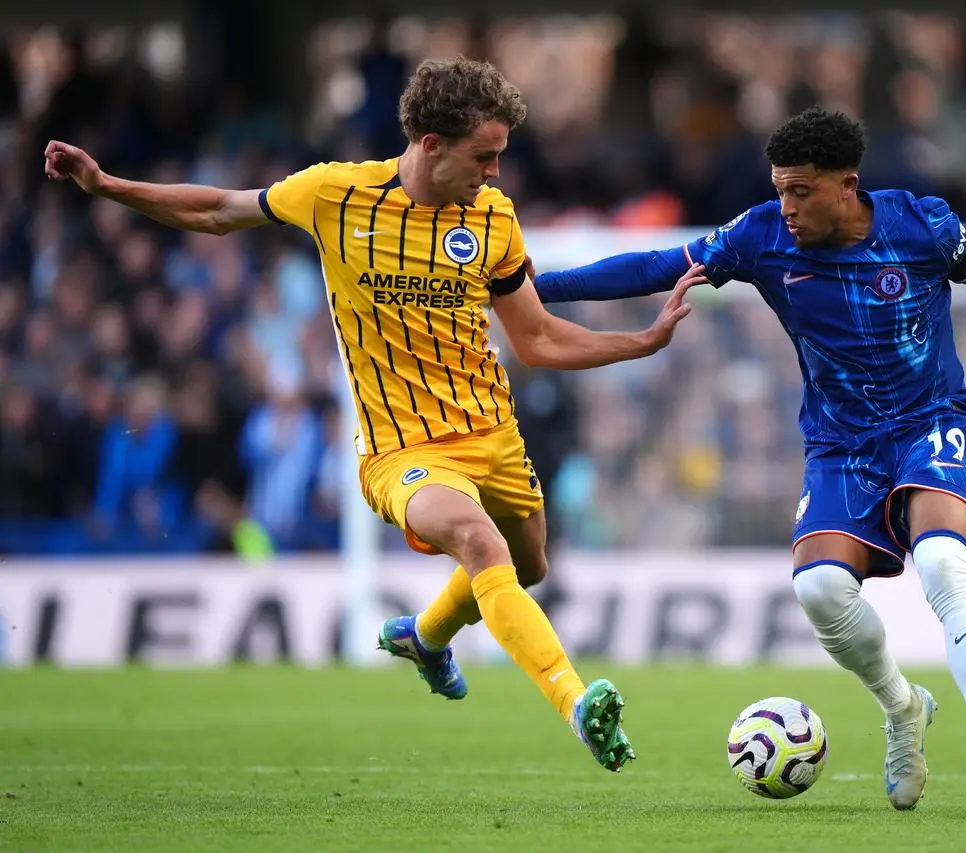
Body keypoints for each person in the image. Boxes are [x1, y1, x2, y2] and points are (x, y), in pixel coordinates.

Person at [44, 56, 700, 772]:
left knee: (528, 563)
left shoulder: (492, 219)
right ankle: (577, 703)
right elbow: (218, 210)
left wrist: (639, 341)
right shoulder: (335, 194)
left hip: (493, 433)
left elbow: (535, 338)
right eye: (485, 156)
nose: (497, 172)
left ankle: (424, 636)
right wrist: (107, 185)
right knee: (481, 545)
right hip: (403, 452)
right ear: (431, 146)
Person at [534, 107, 966, 816]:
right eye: (779, 190)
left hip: (933, 420)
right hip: (841, 444)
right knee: (818, 592)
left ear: (847, 186)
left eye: (800, 192)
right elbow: (657, 266)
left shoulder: (921, 225)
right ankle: (903, 708)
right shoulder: (759, 237)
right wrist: (532, 287)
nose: (787, 207)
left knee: (943, 565)